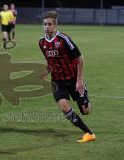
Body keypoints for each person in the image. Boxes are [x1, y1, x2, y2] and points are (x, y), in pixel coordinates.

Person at [39, 11, 96, 143]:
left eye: (49, 24)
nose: (47, 27)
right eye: (45, 24)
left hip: (73, 78)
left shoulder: (64, 39)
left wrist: (79, 80)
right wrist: (45, 73)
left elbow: (80, 58)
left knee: (86, 111)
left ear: (55, 25)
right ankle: (89, 133)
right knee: (64, 107)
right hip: (57, 81)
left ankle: (84, 95)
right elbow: (51, 61)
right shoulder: (41, 42)